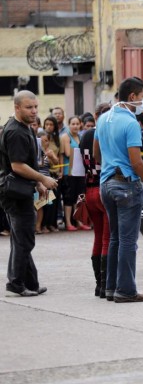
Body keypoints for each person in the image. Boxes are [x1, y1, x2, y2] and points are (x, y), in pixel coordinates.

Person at [94, 76, 143, 303]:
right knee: (129, 241)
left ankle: (111, 288)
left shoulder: (103, 118)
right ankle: (126, 290)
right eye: (142, 97)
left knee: (115, 239)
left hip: (106, 183)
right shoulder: (131, 123)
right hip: (126, 185)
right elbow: (137, 162)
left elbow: (96, 155)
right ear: (132, 97)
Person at [0, 90, 59, 297]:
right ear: (17, 107)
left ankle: (31, 283)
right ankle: (16, 283)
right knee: (24, 239)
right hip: (15, 193)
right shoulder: (15, 131)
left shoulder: (24, 127)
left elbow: (26, 164)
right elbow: (17, 166)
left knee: (21, 238)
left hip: (22, 190)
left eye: (35, 107)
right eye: (29, 107)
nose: (34, 111)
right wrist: (43, 178)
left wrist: (37, 184)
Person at [80, 103, 111, 298]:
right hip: (104, 187)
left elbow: (77, 170)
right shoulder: (106, 133)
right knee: (108, 238)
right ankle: (106, 284)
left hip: (89, 189)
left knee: (98, 237)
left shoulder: (84, 136)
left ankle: (99, 285)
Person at [60, 116, 90, 231]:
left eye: (77, 124)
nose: (75, 126)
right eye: (73, 124)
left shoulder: (80, 136)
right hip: (69, 172)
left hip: (80, 171)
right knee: (69, 198)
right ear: (69, 125)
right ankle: (68, 222)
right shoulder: (65, 137)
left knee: (80, 197)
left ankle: (78, 221)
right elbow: (68, 153)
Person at [35, 131, 59, 234]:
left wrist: (52, 157)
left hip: (48, 180)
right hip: (37, 180)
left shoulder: (49, 151)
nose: (46, 142)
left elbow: (56, 163)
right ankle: (38, 226)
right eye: (44, 140)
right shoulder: (36, 151)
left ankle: (45, 225)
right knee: (39, 205)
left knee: (48, 205)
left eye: (47, 140)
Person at [42, 116, 62, 232]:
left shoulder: (56, 139)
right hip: (45, 172)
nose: (49, 127)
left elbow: (58, 157)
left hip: (55, 172)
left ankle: (52, 223)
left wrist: (60, 172)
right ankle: (43, 224)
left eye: (51, 124)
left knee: (54, 201)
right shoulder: (41, 138)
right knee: (45, 201)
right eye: (47, 124)